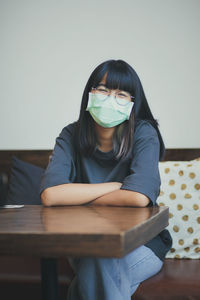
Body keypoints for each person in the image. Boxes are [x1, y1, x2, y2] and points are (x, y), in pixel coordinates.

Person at [40, 59, 172, 299]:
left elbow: (138, 197)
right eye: (103, 89)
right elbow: (51, 195)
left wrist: (78, 199)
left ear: (133, 103)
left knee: (93, 269)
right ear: (90, 93)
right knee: (96, 259)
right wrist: (115, 187)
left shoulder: (143, 132)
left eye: (122, 94)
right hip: (82, 241)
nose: (111, 98)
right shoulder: (71, 134)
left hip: (142, 244)